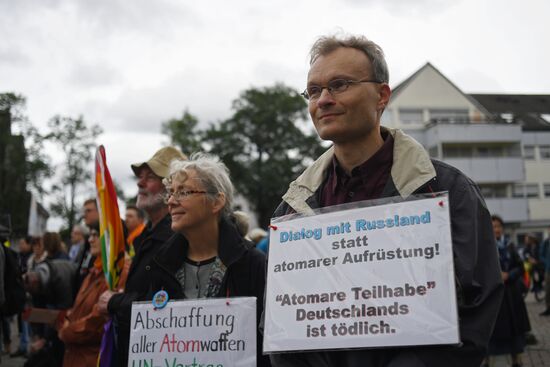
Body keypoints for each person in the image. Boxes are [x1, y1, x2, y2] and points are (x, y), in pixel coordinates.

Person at [269, 34, 503, 367]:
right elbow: (282, 320)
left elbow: (476, 309)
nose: (322, 100)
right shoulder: (292, 209)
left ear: (381, 95)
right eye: (314, 90)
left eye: (338, 84)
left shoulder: (448, 191)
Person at [149, 152, 270, 367]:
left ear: (217, 202)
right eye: (170, 192)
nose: (171, 201)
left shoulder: (252, 264)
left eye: (184, 192)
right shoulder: (160, 264)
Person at [97, 146, 186, 367]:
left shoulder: (177, 238)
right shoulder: (148, 235)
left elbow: (166, 307)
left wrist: (116, 302)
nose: (140, 183)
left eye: (151, 177)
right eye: (140, 177)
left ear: (173, 188)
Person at [57, 223, 129, 367]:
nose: (90, 239)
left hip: (93, 358)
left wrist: (67, 331)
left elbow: (99, 321)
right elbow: (78, 308)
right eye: (90, 235)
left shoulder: (120, 272)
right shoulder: (95, 270)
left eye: (96, 235)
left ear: (112, 237)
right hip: (76, 356)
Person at [483, 215, 530, 367]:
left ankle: (517, 357)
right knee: (492, 328)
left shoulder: (510, 245)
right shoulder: (485, 246)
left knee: (515, 328)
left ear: (502, 228)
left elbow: (520, 267)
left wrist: (509, 275)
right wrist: (496, 276)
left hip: (512, 294)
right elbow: (481, 269)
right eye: (493, 226)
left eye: (498, 226)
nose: (496, 229)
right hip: (495, 294)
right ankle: (487, 359)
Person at [540, 230, 550, 316]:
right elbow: (541, 255)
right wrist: (547, 262)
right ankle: (548, 308)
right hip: (548, 270)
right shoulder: (546, 242)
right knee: (548, 290)